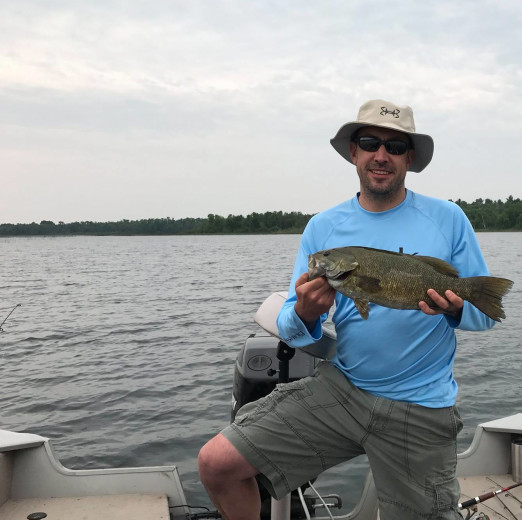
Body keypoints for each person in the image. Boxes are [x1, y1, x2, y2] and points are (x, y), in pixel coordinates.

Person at [198, 99, 501, 520]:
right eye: (370, 142)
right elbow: (290, 324)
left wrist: (453, 309)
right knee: (217, 465)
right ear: (353, 153)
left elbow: (484, 315)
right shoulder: (324, 228)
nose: (382, 155)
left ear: (409, 159)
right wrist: (305, 313)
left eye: (395, 147)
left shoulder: (447, 219)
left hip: (420, 404)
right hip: (340, 390)